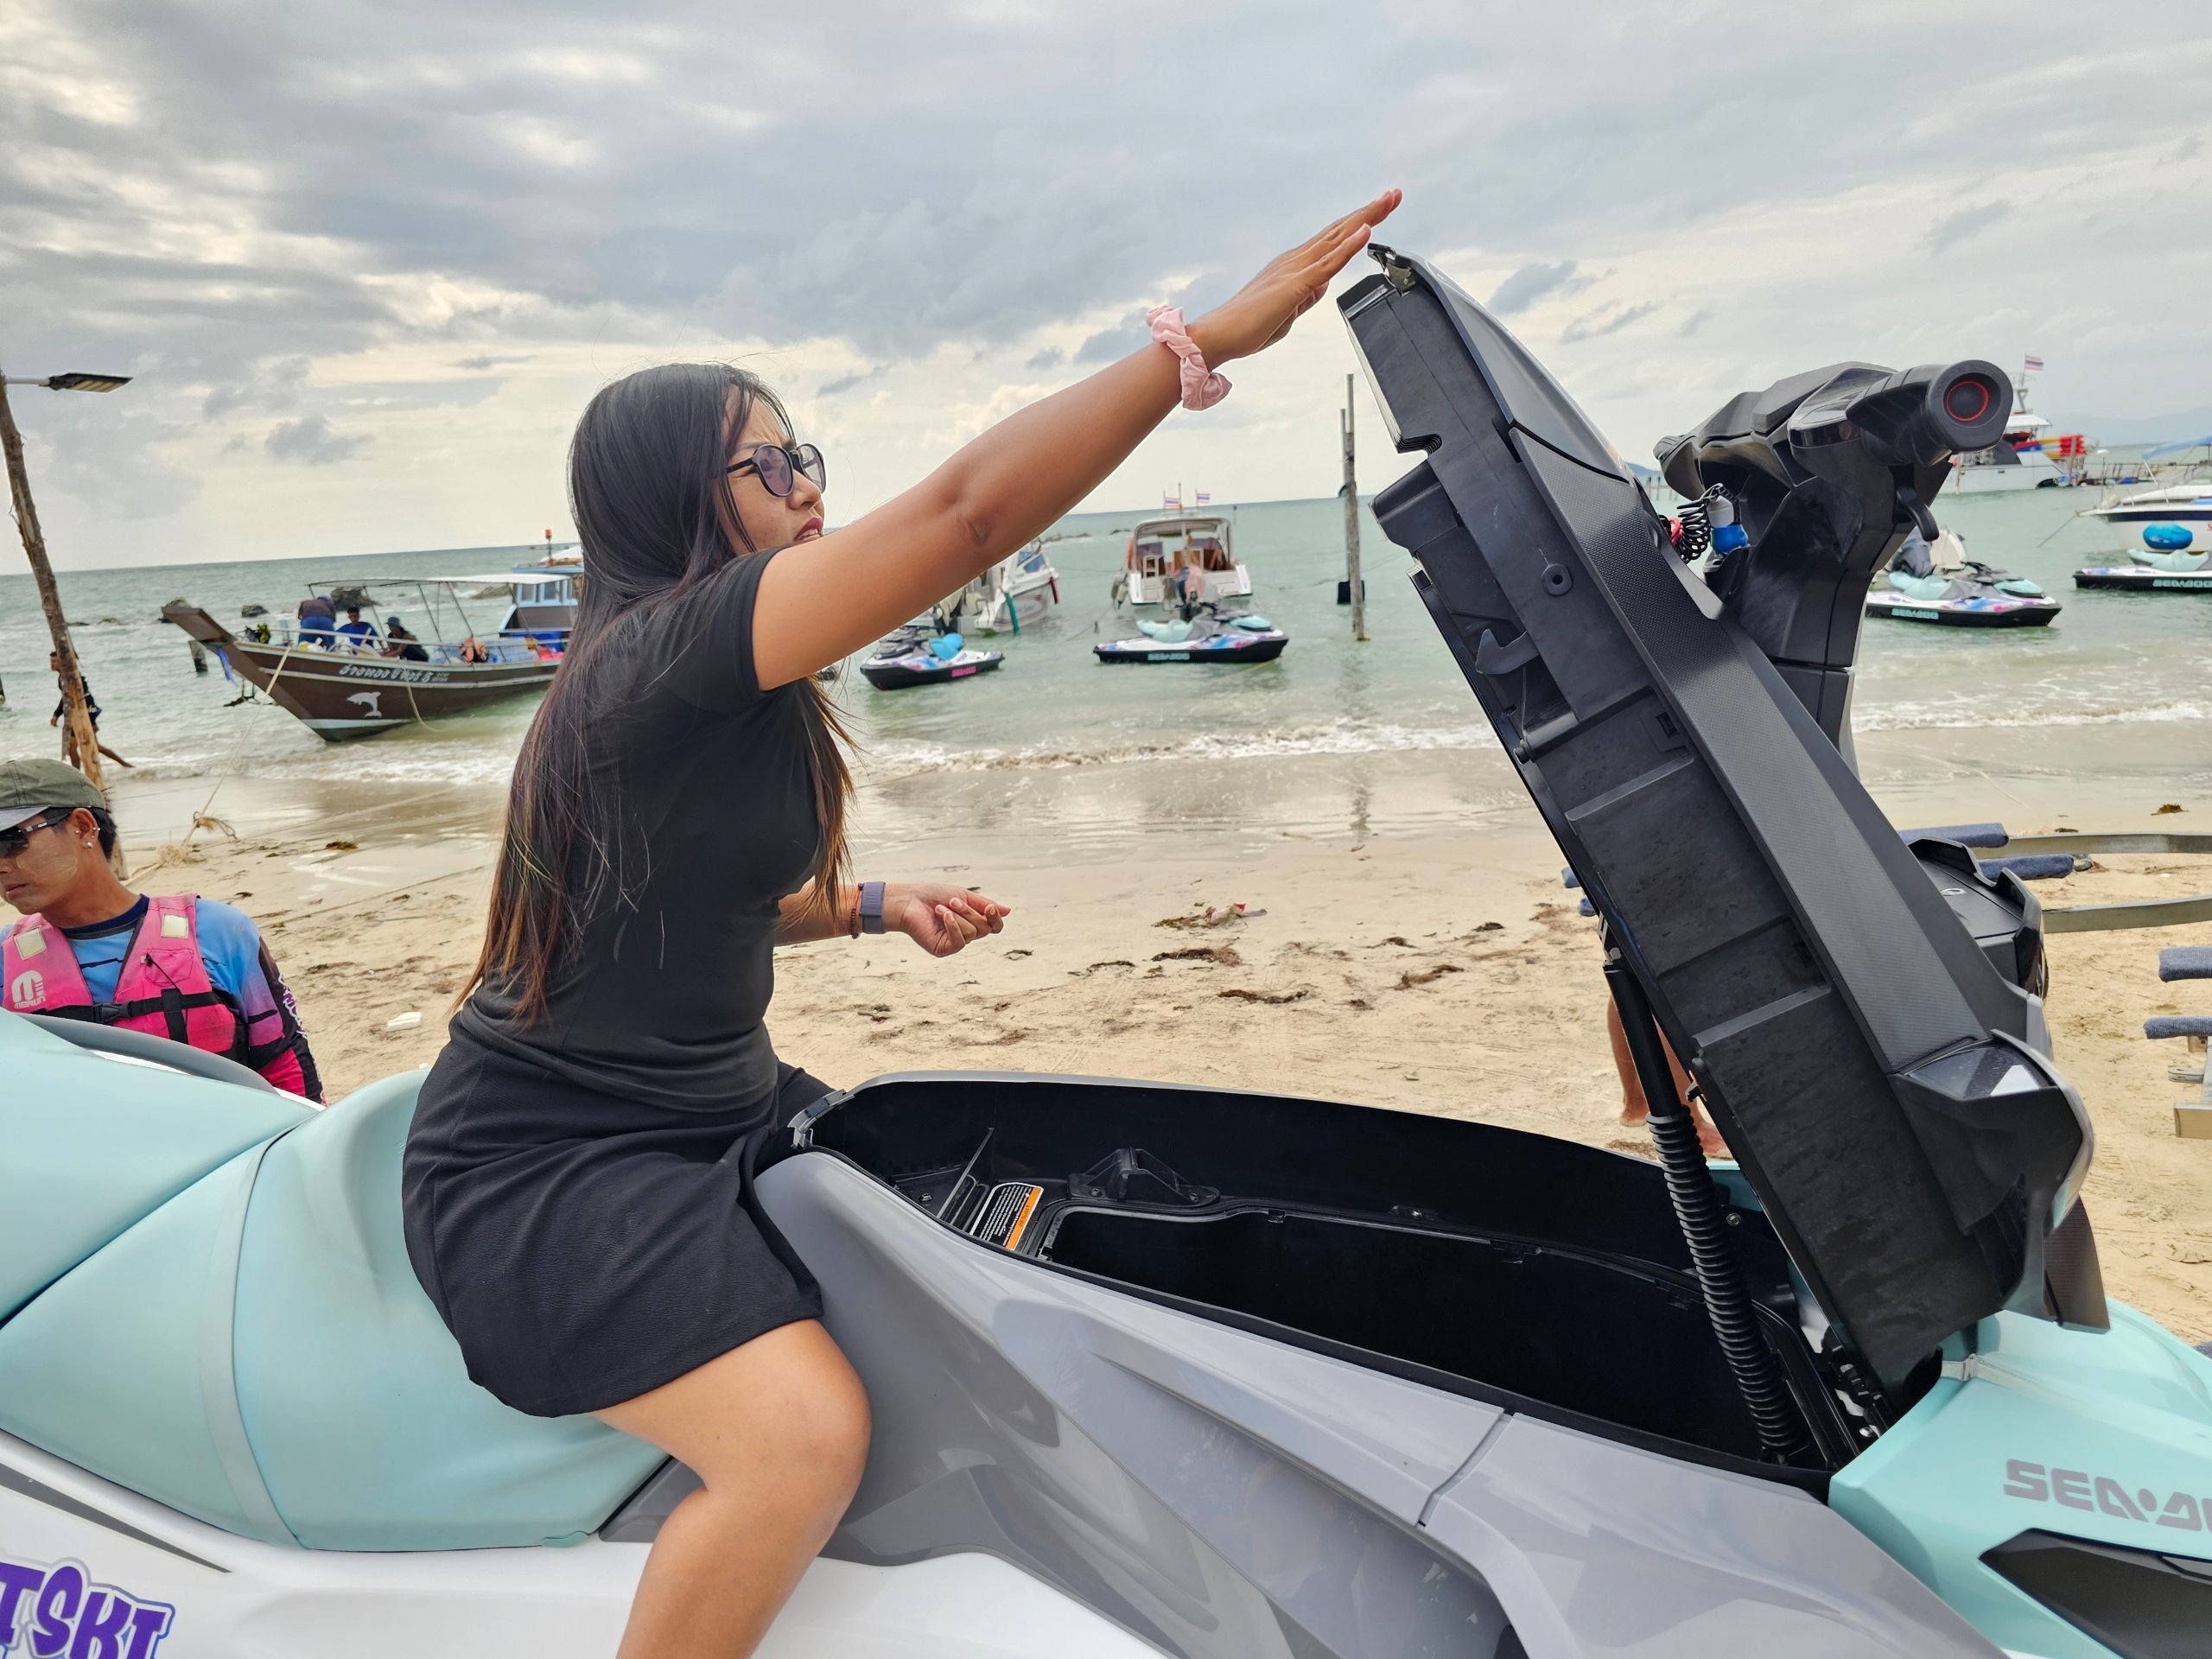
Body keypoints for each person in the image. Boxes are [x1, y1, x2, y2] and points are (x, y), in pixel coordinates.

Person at [399, 188, 1396, 1659]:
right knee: (802, 1441)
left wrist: (870, 905)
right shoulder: (661, 657)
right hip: (551, 1163)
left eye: (807, 452)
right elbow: (965, 517)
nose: (810, 483)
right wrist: (1192, 350)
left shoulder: (698, 681)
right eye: (771, 463)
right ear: (679, 496)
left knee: (985, 1229)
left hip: (712, 1111)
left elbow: (694, 901)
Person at [0, 759, 321, 1100]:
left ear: (82, 827)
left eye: (8, 841)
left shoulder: (218, 933)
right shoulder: (6, 959)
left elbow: (286, 1064)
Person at [48, 653, 131, 770]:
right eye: (51, 661)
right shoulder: (61, 678)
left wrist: (92, 722)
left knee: (88, 747)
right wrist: (56, 714)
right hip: (78, 717)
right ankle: (124, 765)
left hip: (84, 717)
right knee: (75, 748)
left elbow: (87, 698)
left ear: (62, 663)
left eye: (54, 661)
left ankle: (124, 765)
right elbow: (65, 699)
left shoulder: (73, 678)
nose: (51, 664)